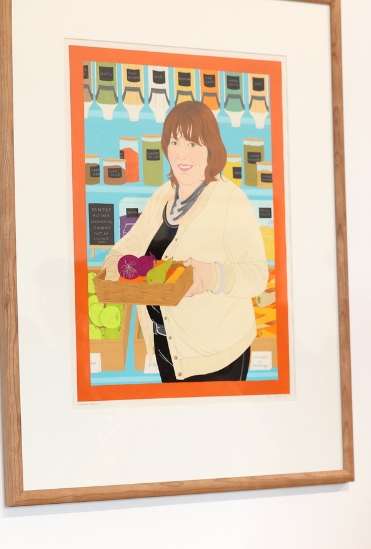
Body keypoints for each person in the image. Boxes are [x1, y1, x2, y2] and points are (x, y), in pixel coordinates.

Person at [102, 101, 268, 382]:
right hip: (169, 350)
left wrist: (211, 275)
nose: (182, 153)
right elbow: (129, 244)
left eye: (193, 144)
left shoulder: (229, 200)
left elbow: (257, 274)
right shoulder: (163, 196)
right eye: (175, 141)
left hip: (218, 357)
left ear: (211, 149)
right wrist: (117, 265)